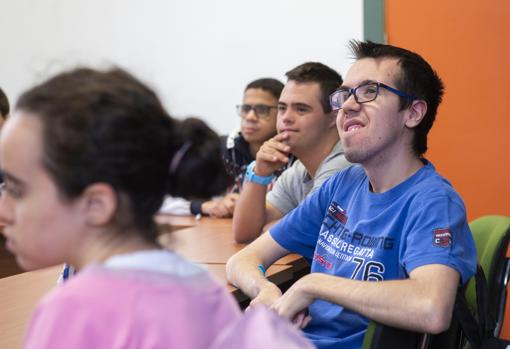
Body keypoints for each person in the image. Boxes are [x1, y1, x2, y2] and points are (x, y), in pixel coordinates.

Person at [226, 40, 477, 349]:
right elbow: (243, 259)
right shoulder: (344, 184)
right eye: (344, 94)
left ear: (412, 113)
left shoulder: (433, 201)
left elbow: (432, 307)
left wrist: (313, 285)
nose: (347, 105)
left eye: (369, 91)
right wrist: (264, 291)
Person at [0, 67, 237, 348]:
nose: (3, 210)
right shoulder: (206, 289)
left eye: (16, 190)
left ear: (96, 204)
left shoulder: (74, 311)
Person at [232, 62, 351, 242]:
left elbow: (297, 235)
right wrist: (259, 173)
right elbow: (243, 233)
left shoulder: (343, 165)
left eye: (301, 109)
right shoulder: (298, 170)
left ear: (333, 117)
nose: (286, 118)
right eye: (282, 108)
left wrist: (272, 227)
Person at [159, 78, 286, 218]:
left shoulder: (295, 156)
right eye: (245, 109)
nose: (250, 117)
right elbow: (155, 197)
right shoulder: (218, 149)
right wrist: (205, 205)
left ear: (282, 112)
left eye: (262, 110)